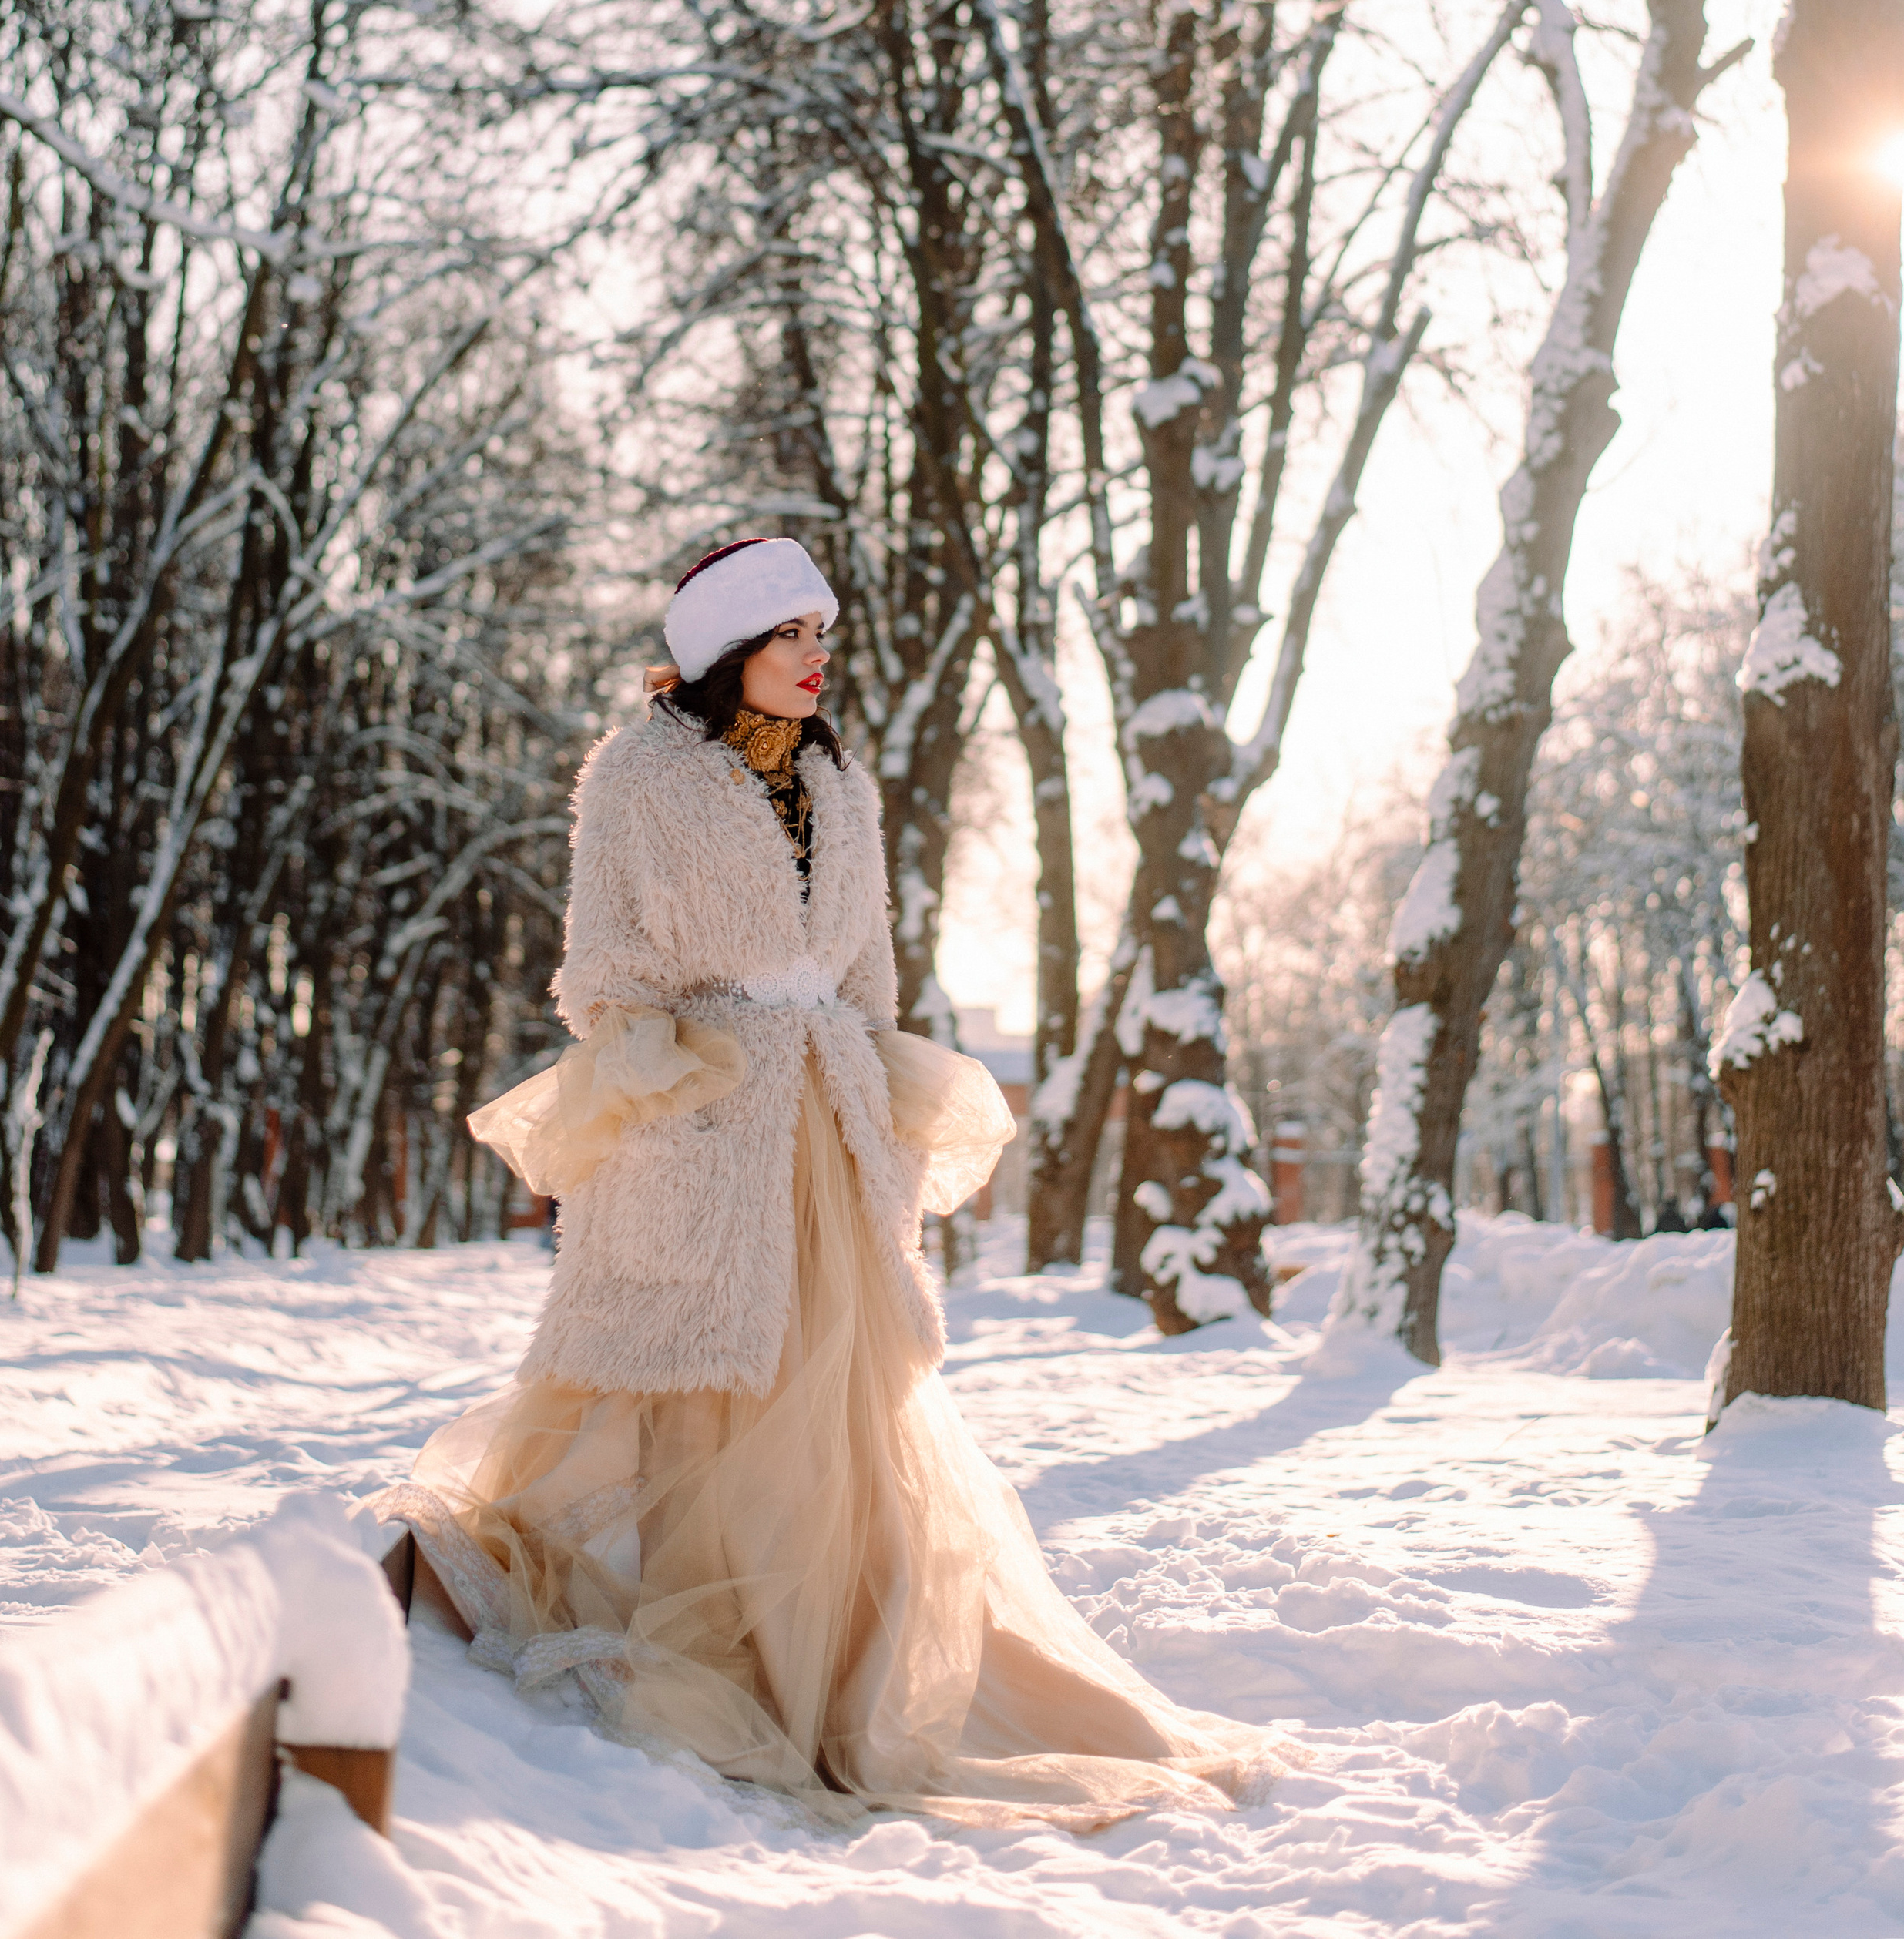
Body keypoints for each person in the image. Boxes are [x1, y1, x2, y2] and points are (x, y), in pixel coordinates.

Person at [383, 535, 1295, 1829]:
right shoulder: (638, 777)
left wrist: (877, 1088)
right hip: (702, 1126)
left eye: (825, 635)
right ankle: (716, 1646)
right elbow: (599, 971)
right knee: (697, 1386)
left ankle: (845, 1669)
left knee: (847, 1398)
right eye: (791, 634)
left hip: (834, 1119)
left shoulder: (841, 784)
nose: (818, 659)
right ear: (723, 651)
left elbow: (869, 973)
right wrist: (670, 1068)